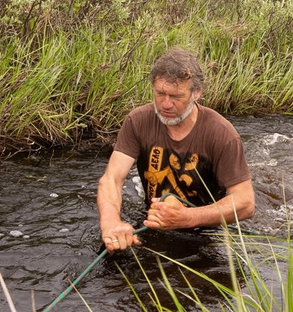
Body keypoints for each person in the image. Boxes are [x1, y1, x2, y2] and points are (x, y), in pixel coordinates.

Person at [97, 47, 255, 252]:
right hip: (153, 220)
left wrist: (187, 218)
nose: (166, 104)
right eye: (160, 93)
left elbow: (245, 203)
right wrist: (111, 222)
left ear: (196, 93)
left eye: (176, 96)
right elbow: (112, 179)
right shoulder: (138, 121)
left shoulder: (222, 134)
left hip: (206, 230)